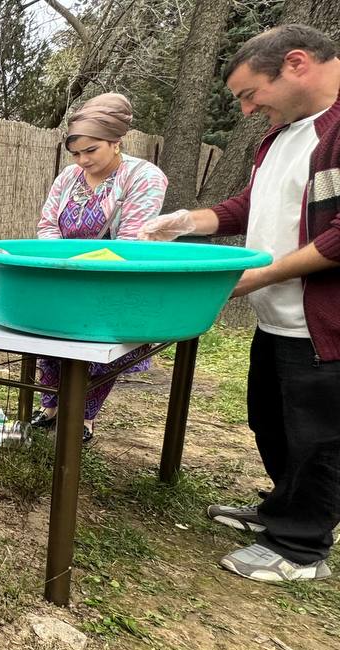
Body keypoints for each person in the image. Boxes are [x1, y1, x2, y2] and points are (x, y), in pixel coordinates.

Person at [140, 24, 340, 583]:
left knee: (317, 438)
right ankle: (281, 510)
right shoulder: (281, 136)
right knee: (272, 423)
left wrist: (257, 276)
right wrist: (187, 221)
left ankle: (301, 549)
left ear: (296, 64)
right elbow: (249, 206)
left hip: (324, 326)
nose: (248, 109)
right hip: (278, 317)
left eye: (251, 94)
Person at [31, 93, 169, 443]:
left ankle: (84, 417)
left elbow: (133, 242)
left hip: (115, 283)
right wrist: (59, 264)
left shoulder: (144, 177)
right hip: (63, 277)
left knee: (97, 355)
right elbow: (48, 225)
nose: (82, 160)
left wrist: (84, 270)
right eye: (76, 153)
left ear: (116, 141)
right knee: (51, 345)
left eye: (91, 150)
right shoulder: (68, 177)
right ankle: (50, 407)